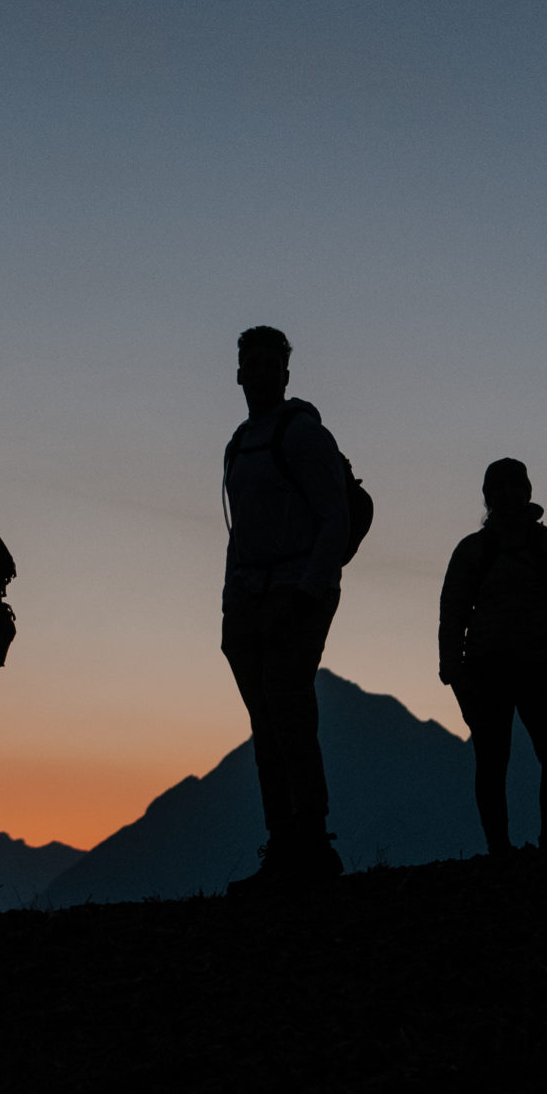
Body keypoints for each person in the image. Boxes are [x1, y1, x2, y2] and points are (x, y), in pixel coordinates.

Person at [220, 325, 354, 894]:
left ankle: (310, 844)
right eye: (253, 365)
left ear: (285, 373)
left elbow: (336, 518)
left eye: (270, 365)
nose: (260, 374)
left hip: (294, 593)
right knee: (268, 724)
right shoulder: (240, 442)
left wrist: (305, 594)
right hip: (250, 599)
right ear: (240, 374)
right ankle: (286, 843)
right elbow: (239, 533)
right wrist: (230, 606)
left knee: (289, 718)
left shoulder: (302, 436)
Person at [437, 458, 547, 857]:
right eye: (498, 488)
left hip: (541, 669)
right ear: (488, 497)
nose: (506, 494)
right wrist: (454, 674)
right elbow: (452, 615)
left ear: (527, 492)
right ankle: (500, 848)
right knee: (493, 763)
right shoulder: (473, 551)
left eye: (513, 486)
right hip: (486, 672)